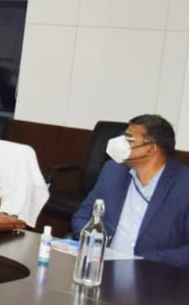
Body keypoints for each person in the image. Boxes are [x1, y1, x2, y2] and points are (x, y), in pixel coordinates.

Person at [73, 114, 189, 267]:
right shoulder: (113, 170)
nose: (120, 144)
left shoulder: (184, 184)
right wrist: (94, 243)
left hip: (156, 276)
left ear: (151, 148)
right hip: (104, 269)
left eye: (128, 139)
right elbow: (82, 216)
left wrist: (144, 262)